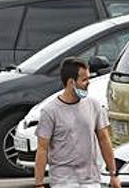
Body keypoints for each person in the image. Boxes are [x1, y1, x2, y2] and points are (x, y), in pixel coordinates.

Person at [34, 57, 120, 188]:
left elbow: (104, 139)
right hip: (63, 181)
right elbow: (42, 149)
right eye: (84, 80)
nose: (88, 83)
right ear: (71, 83)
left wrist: (113, 174)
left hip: (91, 180)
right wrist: (39, 184)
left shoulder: (94, 105)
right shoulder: (50, 111)